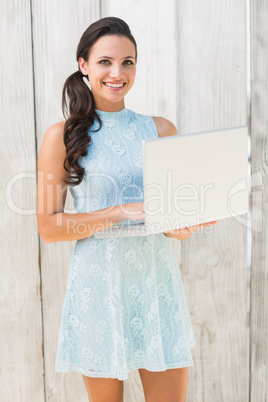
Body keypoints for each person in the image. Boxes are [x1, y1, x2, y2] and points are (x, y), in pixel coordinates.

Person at [37, 16, 217, 402]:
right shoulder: (63, 135)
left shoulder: (161, 130)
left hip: (156, 285)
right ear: (83, 65)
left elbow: (167, 218)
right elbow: (50, 228)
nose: (117, 73)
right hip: (98, 288)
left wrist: (179, 227)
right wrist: (119, 212)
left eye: (128, 62)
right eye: (104, 61)